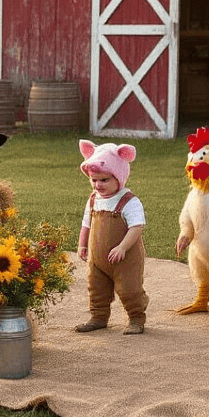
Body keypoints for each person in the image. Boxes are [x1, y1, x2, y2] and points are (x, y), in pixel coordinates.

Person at [74, 140, 148, 335]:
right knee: (96, 288)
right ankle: (98, 317)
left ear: (119, 177)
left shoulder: (128, 201)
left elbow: (137, 227)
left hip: (125, 259)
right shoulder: (93, 199)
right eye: (94, 180)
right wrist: (83, 244)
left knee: (129, 289)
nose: (98, 185)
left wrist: (123, 247)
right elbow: (86, 222)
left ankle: (136, 318)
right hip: (97, 259)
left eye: (104, 180)